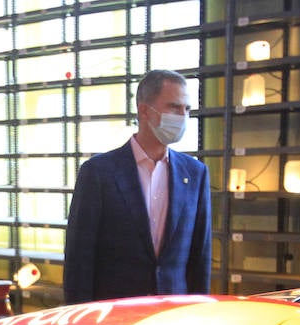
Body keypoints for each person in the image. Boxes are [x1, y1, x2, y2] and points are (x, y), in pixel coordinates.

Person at [62, 68, 211, 304]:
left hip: (173, 312)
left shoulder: (195, 173)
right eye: (174, 107)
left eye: (187, 109)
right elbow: (79, 259)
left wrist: (199, 312)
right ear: (144, 111)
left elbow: (200, 257)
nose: (182, 116)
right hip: (113, 312)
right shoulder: (99, 172)